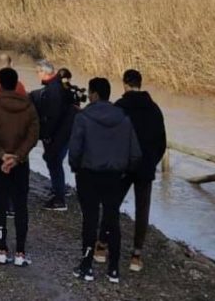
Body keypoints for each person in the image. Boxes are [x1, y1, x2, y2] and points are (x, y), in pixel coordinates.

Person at [69, 77, 141, 284]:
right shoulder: (124, 119)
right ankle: (114, 270)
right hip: (114, 176)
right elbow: (135, 153)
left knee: (90, 219)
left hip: (88, 174)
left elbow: (75, 150)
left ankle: (86, 266)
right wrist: (124, 170)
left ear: (94, 94)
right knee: (112, 219)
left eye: (90, 93)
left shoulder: (83, 117)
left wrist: (76, 167)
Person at [95, 69, 166, 273]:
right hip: (145, 168)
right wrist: (151, 161)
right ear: (140, 84)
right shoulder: (155, 109)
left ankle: (102, 246)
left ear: (125, 84)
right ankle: (136, 255)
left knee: (112, 204)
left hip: (122, 166)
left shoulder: (119, 107)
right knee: (142, 210)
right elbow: (162, 142)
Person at [0, 68, 39, 267]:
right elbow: (33, 136)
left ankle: (2, 248)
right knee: (21, 206)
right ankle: (20, 251)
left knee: (1, 204)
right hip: (20, 163)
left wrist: (2, 154)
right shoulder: (29, 107)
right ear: (17, 84)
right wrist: (18, 156)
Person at [0, 54, 26, 215]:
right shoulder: (19, 85)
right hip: (13, 131)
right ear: (11, 64)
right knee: (12, 169)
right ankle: (10, 206)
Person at [30, 59, 73, 211]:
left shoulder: (53, 90)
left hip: (58, 134)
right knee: (53, 160)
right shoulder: (59, 85)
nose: (36, 75)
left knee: (54, 161)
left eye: (37, 72)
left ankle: (59, 199)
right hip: (64, 131)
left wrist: (46, 135)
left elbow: (52, 116)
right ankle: (58, 188)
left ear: (44, 72)